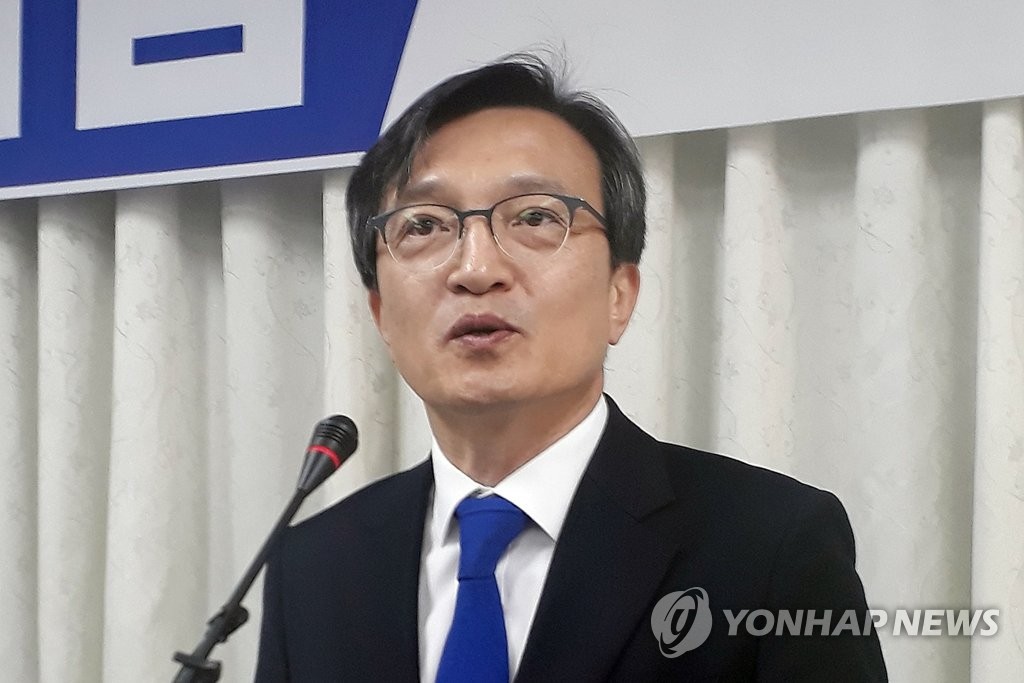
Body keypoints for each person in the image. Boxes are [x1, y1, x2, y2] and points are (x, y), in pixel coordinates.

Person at [255, 56, 888, 682]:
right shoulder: (311, 566)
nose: (476, 270)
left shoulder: (770, 543)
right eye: (423, 225)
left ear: (619, 295)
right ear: (381, 316)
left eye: (535, 217)